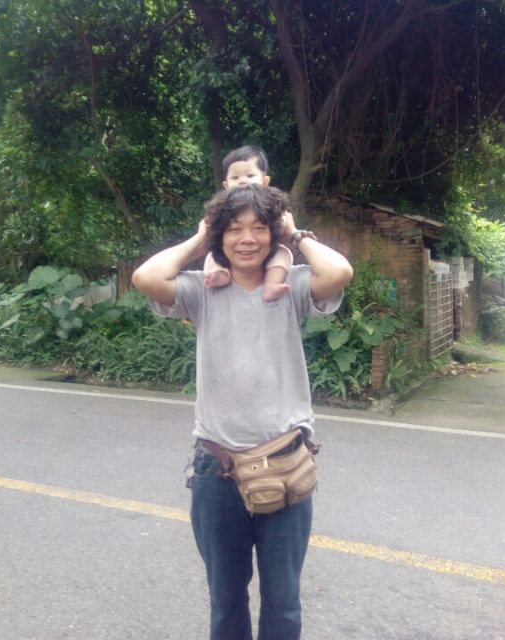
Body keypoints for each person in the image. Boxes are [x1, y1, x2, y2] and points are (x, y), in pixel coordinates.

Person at [132, 184, 353, 640]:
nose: (247, 239)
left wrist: (296, 234)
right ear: (220, 236)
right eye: (233, 229)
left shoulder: (290, 287)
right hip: (218, 469)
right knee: (226, 600)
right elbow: (146, 278)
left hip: (285, 464)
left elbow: (339, 271)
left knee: (284, 602)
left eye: (258, 228)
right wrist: (200, 239)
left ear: (273, 233)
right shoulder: (202, 290)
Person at [204, 145, 298, 302]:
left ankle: (272, 283)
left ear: (265, 181)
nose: (243, 181)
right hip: (230, 256)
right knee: (212, 255)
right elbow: (209, 227)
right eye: (235, 177)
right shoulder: (223, 207)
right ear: (226, 185)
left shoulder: (270, 204)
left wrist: (291, 232)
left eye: (250, 175)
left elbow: (283, 223)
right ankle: (219, 273)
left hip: (268, 252)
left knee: (283, 253)